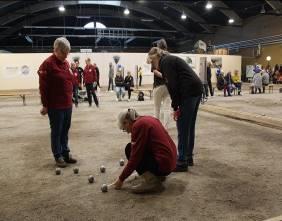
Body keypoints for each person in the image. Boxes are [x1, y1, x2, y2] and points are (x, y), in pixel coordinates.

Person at [147, 47, 203, 172]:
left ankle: (182, 161)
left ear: (156, 57)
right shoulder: (169, 60)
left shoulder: (165, 62)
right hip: (196, 89)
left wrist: (176, 106)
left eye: (151, 61)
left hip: (188, 92)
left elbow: (173, 85)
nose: (152, 65)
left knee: (182, 126)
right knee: (189, 126)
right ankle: (188, 157)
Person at [113, 109, 177, 193]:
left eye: (124, 129)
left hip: (164, 166)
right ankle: (157, 176)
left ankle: (152, 182)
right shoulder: (149, 119)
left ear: (126, 122)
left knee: (129, 149)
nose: (128, 132)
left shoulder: (138, 126)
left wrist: (121, 179)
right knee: (137, 148)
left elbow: (134, 158)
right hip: (170, 162)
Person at [37, 37, 77, 168]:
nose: (66, 56)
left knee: (65, 130)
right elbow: (43, 87)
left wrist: (74, 73)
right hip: (55, 106)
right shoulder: (47, 64)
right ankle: (58, 155)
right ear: (56, 50)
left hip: (67, 103)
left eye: (67, 53)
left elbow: (70, 79)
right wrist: (45, 105)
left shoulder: (65, 63)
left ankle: (65, 153)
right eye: (64, 53)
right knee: (57, 131)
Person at [152, 39, 171, 128]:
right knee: (167, 108)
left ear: (158, 46)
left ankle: (157, 128)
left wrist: (163, 76)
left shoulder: (156, 55)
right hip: (167, 85)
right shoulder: (169, 56)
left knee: (157, 108)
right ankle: (165, 128)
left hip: (158, 85)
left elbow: (155, 71)